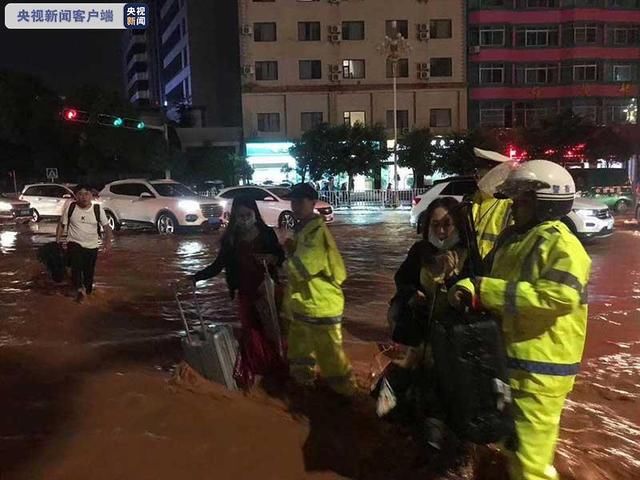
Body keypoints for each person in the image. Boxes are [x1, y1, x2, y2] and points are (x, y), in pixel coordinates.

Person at [450, 160, 591, 480]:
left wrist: (486, 292)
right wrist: (467, 287)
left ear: (546, 203)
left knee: (530, 465)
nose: (514, 205)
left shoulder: (560, 243)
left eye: (523, 199)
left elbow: (558, 296)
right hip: (510, 362)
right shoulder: (513, 239)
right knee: (513, 447)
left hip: (541, 370)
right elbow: (485, 279)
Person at [189, 195, 287, 388]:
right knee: (250, 334)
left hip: (266, 291)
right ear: (234, 217)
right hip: (244, 293)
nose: (244, 219)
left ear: (255, 214)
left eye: (247, 214)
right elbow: (217, 266)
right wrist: (194, 278)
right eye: (240, 216)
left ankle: (278, 370)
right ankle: (258, 373)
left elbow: (280, 256)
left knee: (272, 331)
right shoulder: (230, 239)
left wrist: (271, 258)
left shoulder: (266, 234)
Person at [283, 183, 355, 396]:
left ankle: (347, 395)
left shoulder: (315, 232)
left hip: (321, 304)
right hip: (305, 304)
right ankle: (303, 388)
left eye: (300, 201)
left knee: (330, 356)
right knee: (299, 351)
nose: (295, 205)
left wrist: (282, 262)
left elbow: (304, 267)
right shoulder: (304, 229)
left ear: (313, 203)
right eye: (293, 201)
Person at [56, 184, 113, 303]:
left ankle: (87, 292)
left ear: (91, 196)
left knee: (89, 273)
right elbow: (61, 224)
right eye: (80, 194)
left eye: (86, 194)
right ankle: (79, 289)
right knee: (76, 267)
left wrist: (107, 243)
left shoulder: (97, 210)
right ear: (76, 196)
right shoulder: (71, 207)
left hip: (92, 246)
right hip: (74, 243)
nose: (83, 197)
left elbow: (107, 228)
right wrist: (58, 241)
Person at [471, 148, 514, 259]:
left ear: (499, 175)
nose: (477, 177)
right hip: (473, 268)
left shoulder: (510, 205)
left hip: (495, 270)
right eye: (477, 172)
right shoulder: (474, 200)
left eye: (482, 173)